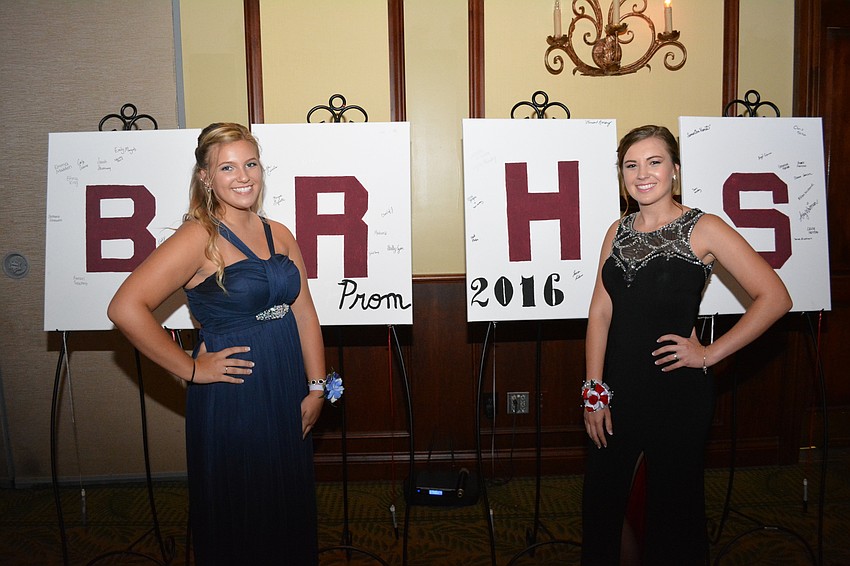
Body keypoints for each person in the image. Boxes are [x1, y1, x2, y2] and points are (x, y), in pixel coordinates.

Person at [108, 122, 326, 565]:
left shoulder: (278, 233)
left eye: (251, 163)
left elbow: (304, 311)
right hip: (234, 392)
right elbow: (125, 307)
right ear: (206, 177)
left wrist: (318, 387)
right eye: (227, 167)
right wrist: (191, 369)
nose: (243, 176)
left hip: (285, 384)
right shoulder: (197, 238)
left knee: (286, 500)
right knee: (244, 507)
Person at [580, 125, 792, 565]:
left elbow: (775, 297)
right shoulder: (616, 231)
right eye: (631, 165)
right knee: (602, 504)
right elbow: (601, 312)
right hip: (617, 390)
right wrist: (594, 389)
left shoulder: (705, 228)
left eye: (654, 162)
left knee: (671, 514)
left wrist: (709, 353)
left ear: (674, 171)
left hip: (677, 393)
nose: (643, 174)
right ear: (621, 174)